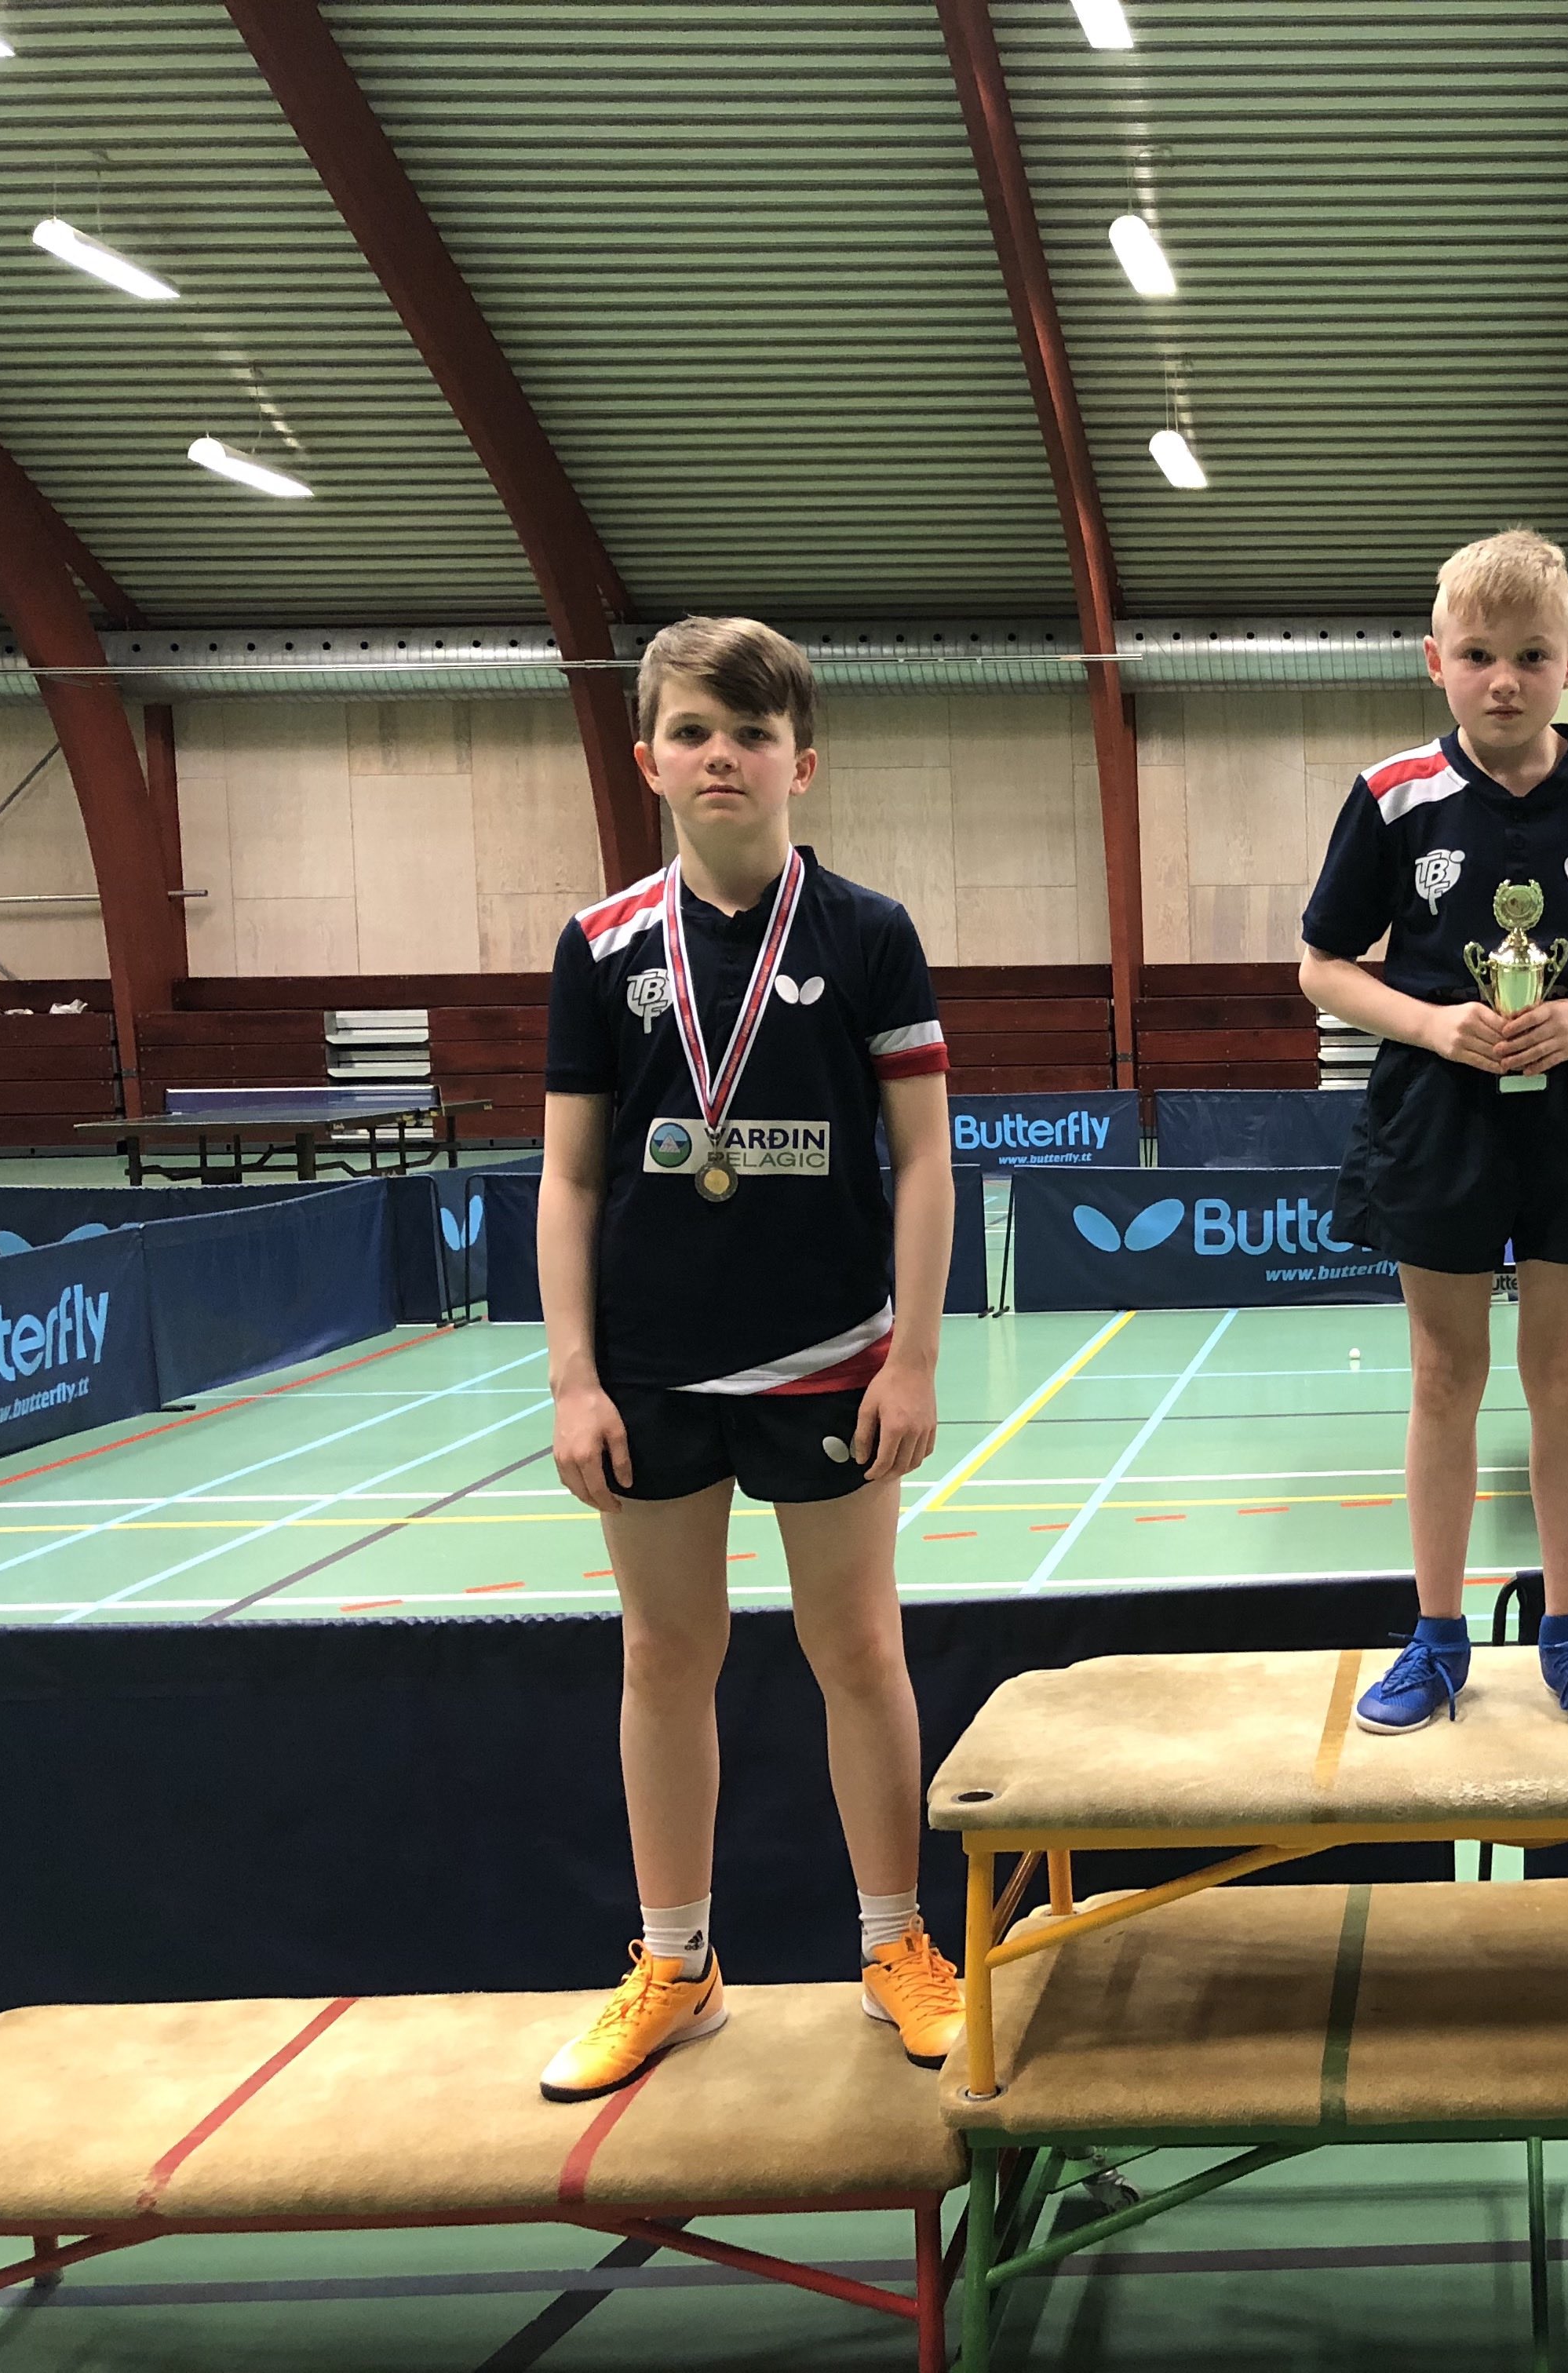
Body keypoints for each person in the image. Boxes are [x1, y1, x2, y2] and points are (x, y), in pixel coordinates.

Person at [533, 615, 965, 2101]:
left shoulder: (869, 935)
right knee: (667, 1657)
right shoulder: (600, 949)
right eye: (695, 733)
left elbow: (925, 1162)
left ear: (802, 764)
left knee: (858, 1650)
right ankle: (677, 1965)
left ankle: (897, 1945)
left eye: (753, 734)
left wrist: (911, 1360)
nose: (724, 757)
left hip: (832, 1359)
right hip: (650, 1373)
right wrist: (574, 1377)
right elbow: (569, 1177)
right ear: (648, 759)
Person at [1298, 528, 1568, 1733]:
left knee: (1564, 1372)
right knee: (1443, 1374)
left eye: (1531, 654)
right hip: (1437, 1108)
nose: (1504, 680)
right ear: (1436, 661)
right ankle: (1435, 1638)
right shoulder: (1391, 796)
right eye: (1478, 655)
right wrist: (1432, 1025)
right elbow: (1322, 968)